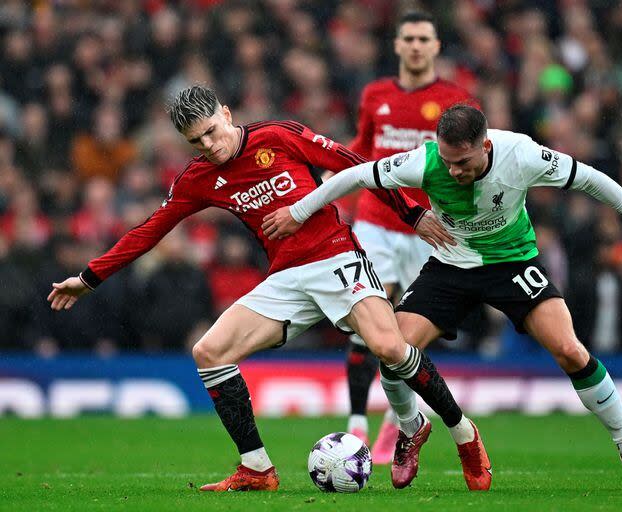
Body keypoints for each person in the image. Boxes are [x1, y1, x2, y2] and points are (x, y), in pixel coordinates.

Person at [47, 87, 491, 492]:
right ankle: (256, 467)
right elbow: (149, 230)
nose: (207, 146)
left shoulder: (278, 136)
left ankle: (462, 435)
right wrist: (89, 278)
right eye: (195, 142)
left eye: (210, 132)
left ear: (226, 113)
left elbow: (357, 168)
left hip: (335, 255)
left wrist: (411, 215)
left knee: (390, 348)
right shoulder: (198, 177)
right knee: (209, 352)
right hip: (286, 277)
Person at [264, 104, 622, 483]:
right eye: (447, 161)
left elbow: (590, 179)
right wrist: (300, 212)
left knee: (570, 351)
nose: (453, 171)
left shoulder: (521, 155)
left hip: (513, 263)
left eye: (462, 161)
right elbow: (356, 174)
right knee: (391, 349)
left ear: (485, 145)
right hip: (450, 266)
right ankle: (411, 429)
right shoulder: (425, 162)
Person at [343, 10, 477, 462]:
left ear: (436, 46)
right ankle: (356, 425)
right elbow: (360, 151)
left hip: (430, 229)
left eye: (425, 38)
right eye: (409, 38)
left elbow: (471, 162)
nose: (417, 45)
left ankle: (397, 420)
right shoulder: (375, 95)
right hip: (375, 223)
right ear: (397, 45)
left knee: (408, 330)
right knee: (365, 320)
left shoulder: (456, 98)